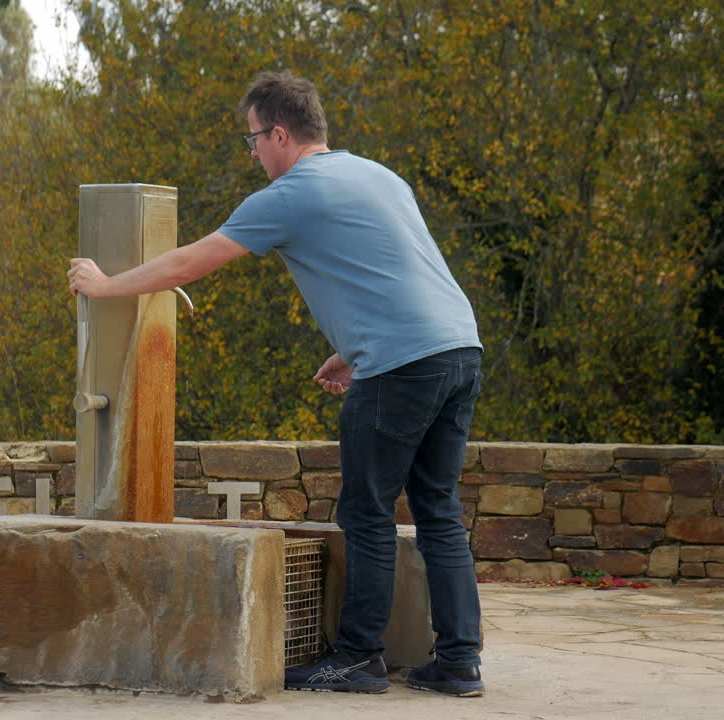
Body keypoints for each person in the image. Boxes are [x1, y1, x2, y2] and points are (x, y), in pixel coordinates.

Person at [67, 71, 485, 698]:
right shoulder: (378, 175)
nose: (254, 152)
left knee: (366, 513)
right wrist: (350, 349)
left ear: (280, 133)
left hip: (401, 366)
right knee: (438, 511)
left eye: (253, 140)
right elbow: (396, 270)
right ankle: (458, 663)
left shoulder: (291, 194)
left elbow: (192, 261)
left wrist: (103, 285)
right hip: (459, 349)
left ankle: (357, 659)